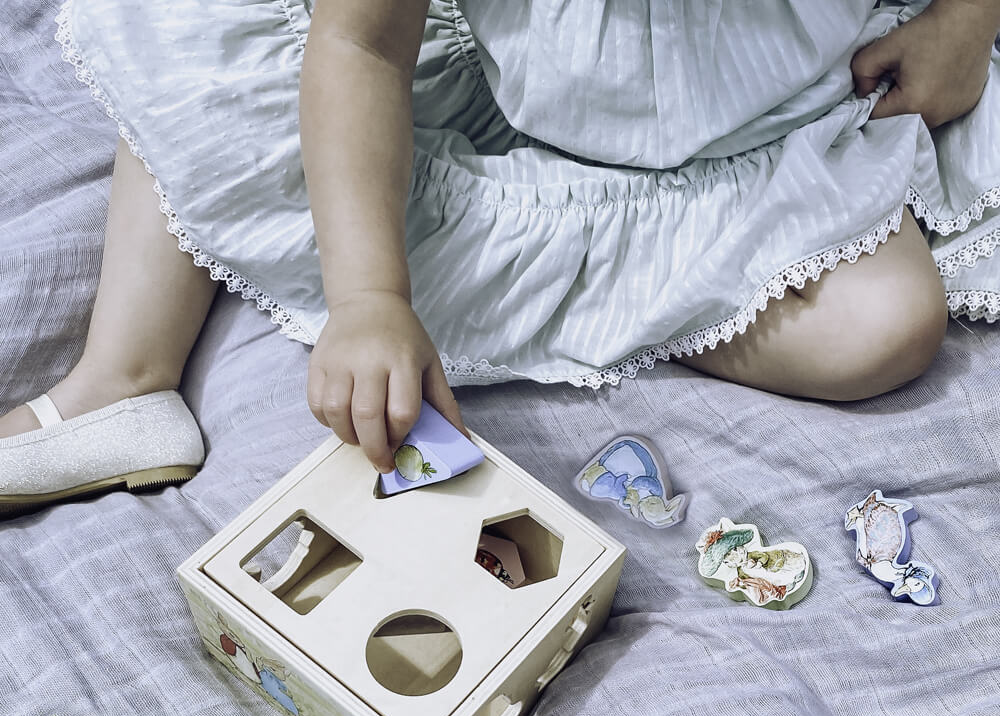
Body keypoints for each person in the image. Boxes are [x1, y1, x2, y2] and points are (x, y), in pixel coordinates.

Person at [1, 0, 998, 516]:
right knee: (206, 55)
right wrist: (368, 298)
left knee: (888, 324)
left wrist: (965, 19)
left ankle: (646, 284)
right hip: (507, 101)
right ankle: (121, 378)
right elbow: (358, 52)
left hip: (772, 140)